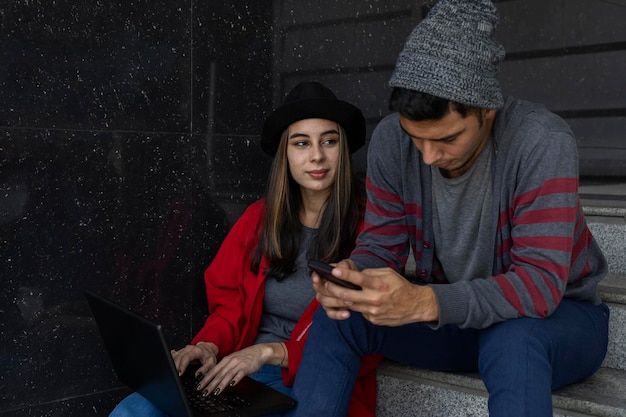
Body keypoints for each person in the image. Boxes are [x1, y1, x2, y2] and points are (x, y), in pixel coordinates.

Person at [286, 1, 610, 417]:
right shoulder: (391, 141)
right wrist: (353, 277)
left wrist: (424, 303)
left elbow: (539, 286)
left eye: (447, 139)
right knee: (341, 317)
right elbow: (380, 247)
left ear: (486, 110)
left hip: (558, 321)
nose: (427, 157)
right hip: (458, 322)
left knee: (512, 339)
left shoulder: (541, 141)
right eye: (416, 138)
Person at [109, 81, 381, 417]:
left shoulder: (370, 230)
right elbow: (228, 304)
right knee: (135, 411)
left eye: (329, 141)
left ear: (344, 149)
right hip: (243, 369)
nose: (317, 156)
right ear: (286, 154)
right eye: (301, 143)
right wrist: (207, 345)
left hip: (311, 380)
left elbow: (371, 332)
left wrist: (270, 352)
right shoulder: (259, 219)